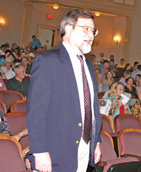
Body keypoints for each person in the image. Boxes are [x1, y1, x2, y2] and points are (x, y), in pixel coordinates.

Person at [27, 9, 101, 172]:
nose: (91, 35)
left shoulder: (88, 65)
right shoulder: (47, 60)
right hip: (55, 150)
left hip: (83, 146)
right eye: (85, 29)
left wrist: (96, 142)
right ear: (68, 28)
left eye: (93, 31)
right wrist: (39, 151)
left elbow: (92, 108)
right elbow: (37, 111)